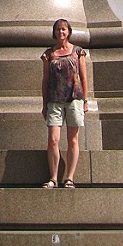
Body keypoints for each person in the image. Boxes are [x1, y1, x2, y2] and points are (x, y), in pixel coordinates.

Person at [40, 17, 89, 189]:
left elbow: (83, 77)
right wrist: (44, 104)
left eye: (63, 29)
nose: (61, 32)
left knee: (72, 140)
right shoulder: (49, 54)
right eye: (58, 29)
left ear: (68, 32)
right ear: (54, 32)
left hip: (74, 98)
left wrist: (85, 100)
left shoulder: (78, 52)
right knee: (53, 140)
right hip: (55, 100)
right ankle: (53, 177)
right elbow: (45, 80)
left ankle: (69, 177)